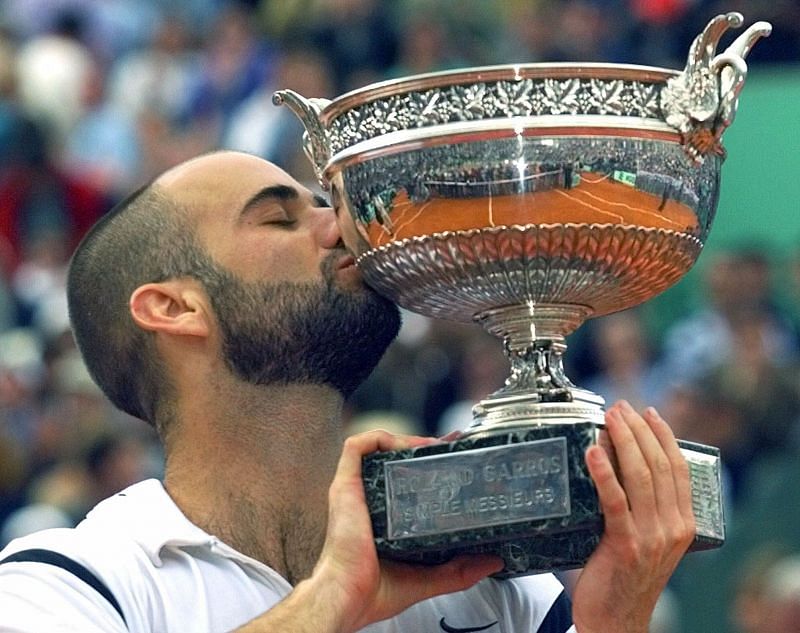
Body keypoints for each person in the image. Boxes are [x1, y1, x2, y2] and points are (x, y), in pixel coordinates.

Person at [0, 151, 695, 633]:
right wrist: (332, 598)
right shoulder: (66, 580)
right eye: (279, 218)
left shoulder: (476, 572)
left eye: (324, 206)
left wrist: (613, 619)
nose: (343, 229)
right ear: (175, 308)